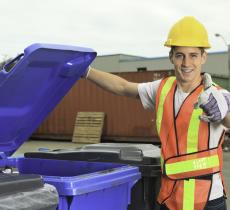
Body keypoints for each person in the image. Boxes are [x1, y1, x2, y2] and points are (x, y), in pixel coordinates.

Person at [83, 16, 230, 210]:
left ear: (203, 57)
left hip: (207, 200)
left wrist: (224, 115)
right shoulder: (162, 88)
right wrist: (86, 71)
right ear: (171, 57)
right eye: (180, 55)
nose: (186, 63)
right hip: (169, 197)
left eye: (193, 55)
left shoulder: (218, 96)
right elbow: (123, 87)